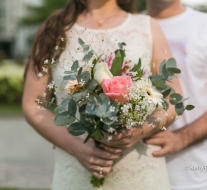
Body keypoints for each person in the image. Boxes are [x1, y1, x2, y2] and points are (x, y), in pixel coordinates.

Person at [22, 0, 182, 189]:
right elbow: (33, 104)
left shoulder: (147, 26)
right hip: (75, 169)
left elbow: (173, 99)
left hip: (141, 173)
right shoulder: (54, 29)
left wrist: (138, 132)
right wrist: (76, 147)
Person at [145, 1, 207, 190]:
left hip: (193, 176)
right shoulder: (129, 27)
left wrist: (182, 138)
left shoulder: (203, 25)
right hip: (137, 171)